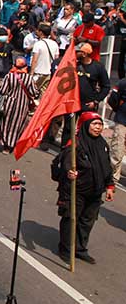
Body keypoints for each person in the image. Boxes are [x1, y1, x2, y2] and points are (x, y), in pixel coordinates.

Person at [56, 112, 115, 264]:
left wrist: (109, 186)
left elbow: (106, 167)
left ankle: (80, 249)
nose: (98, 127)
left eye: (100, 124)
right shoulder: (75, 143)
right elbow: (66, 162)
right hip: (76, 190)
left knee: (87, 221)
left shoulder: (102, 145)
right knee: (71, 219)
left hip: (95, 191)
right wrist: (70, 172)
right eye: (94, 124)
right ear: (86, 125)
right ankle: (66, 249)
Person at [0, 57, 38, 154]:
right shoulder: (29, 78)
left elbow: (3, 91)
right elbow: (34, 93)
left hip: (9, 104)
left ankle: (5, 145)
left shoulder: (9, 76)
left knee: (6, 123)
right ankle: (12, 144)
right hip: (22, 106)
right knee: (17, 125)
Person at [106, 79, 126, 186]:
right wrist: (119, 109)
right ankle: (112, 178)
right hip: (123, 121)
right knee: (117, 150)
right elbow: (113, 98)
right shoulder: (123, 83)